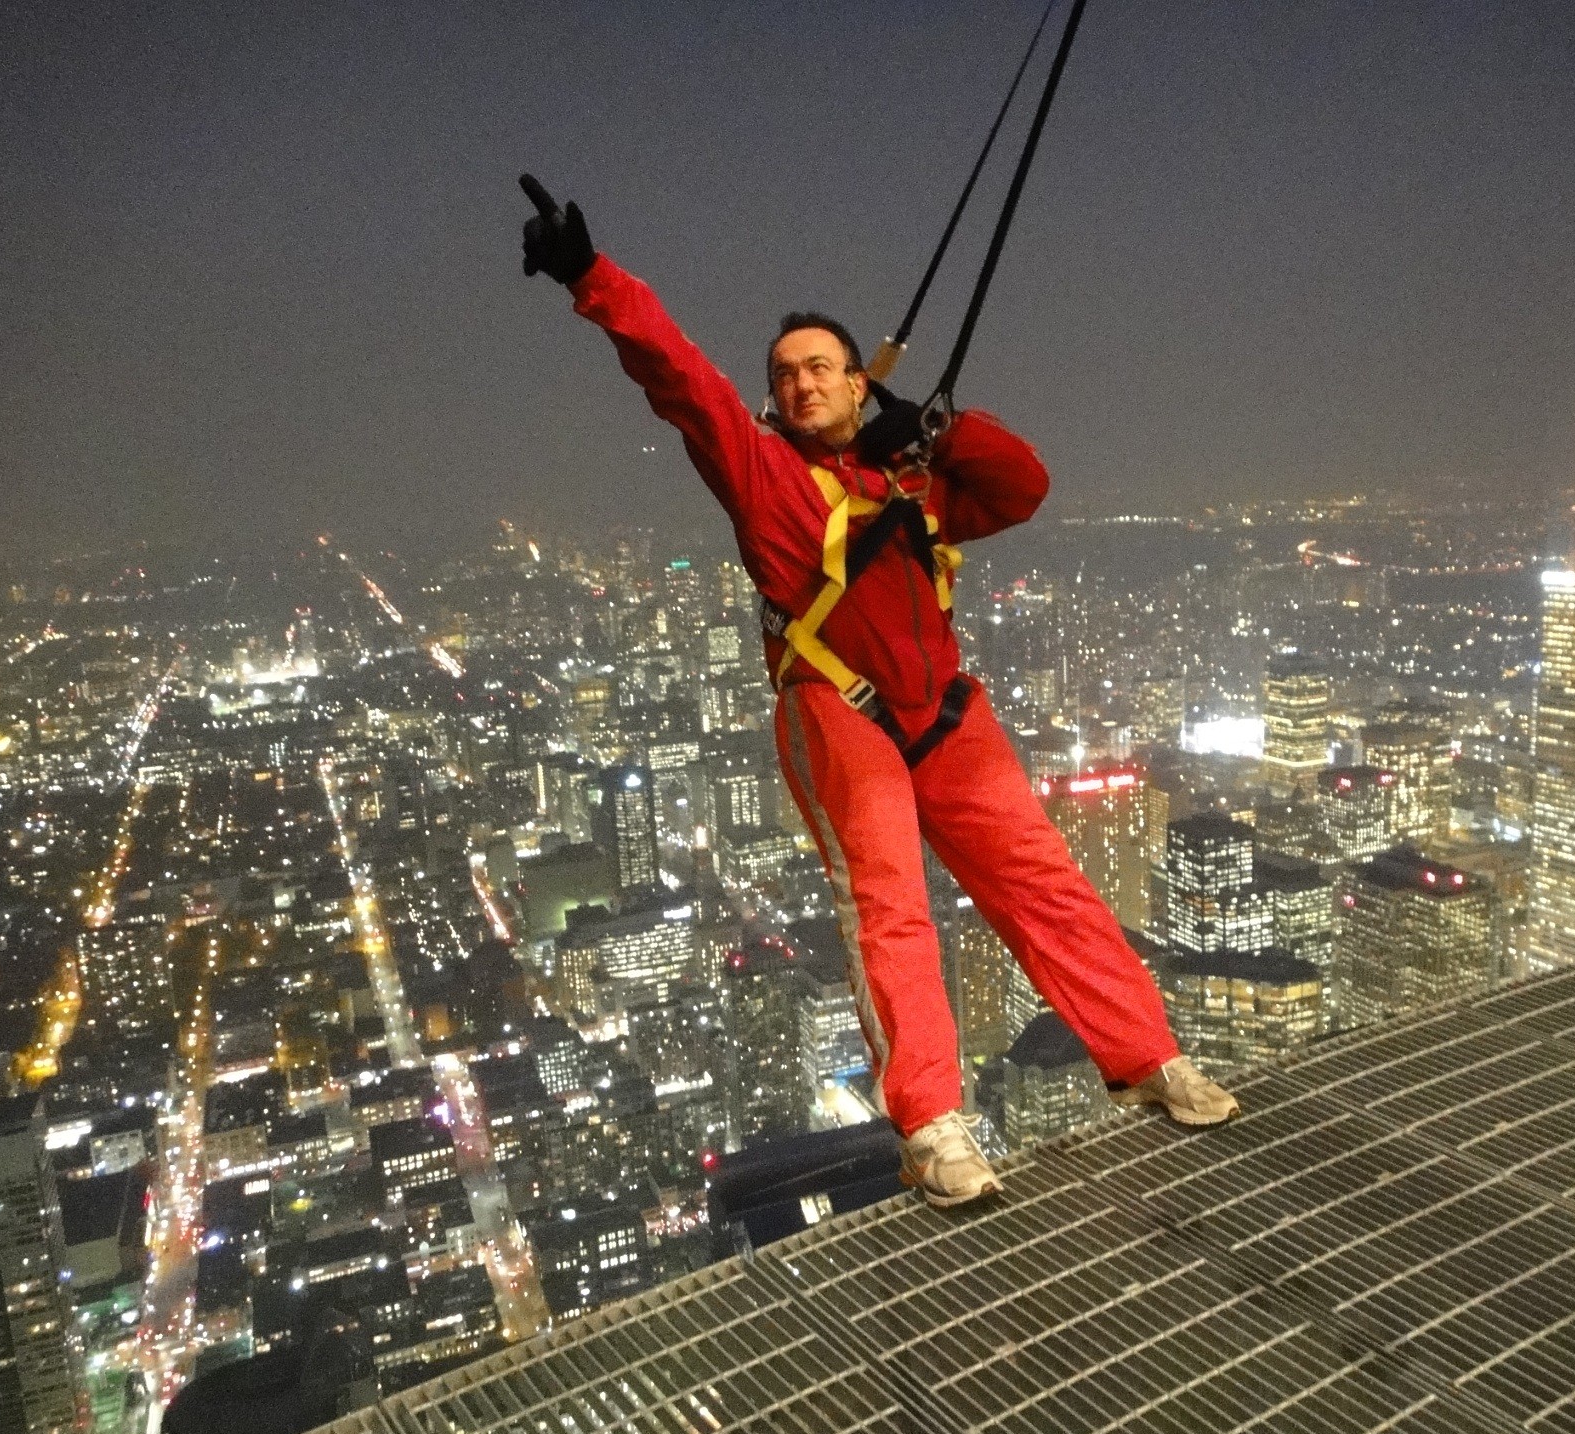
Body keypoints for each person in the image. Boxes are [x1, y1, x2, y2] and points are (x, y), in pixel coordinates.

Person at [519, 176, 1237, 1207]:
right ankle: (930, 1124)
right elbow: (679, 377)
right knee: (890, 907)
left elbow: (1023, 487)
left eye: (820, 366)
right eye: (784, 373)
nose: (799, 382)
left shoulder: (913, 475)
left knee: (1044, 884)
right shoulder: (764, 474)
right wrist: (591, 277)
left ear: (860, 384)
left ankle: (1147, 1056)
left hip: (945, 712)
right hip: (836, 708)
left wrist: (937, 432)